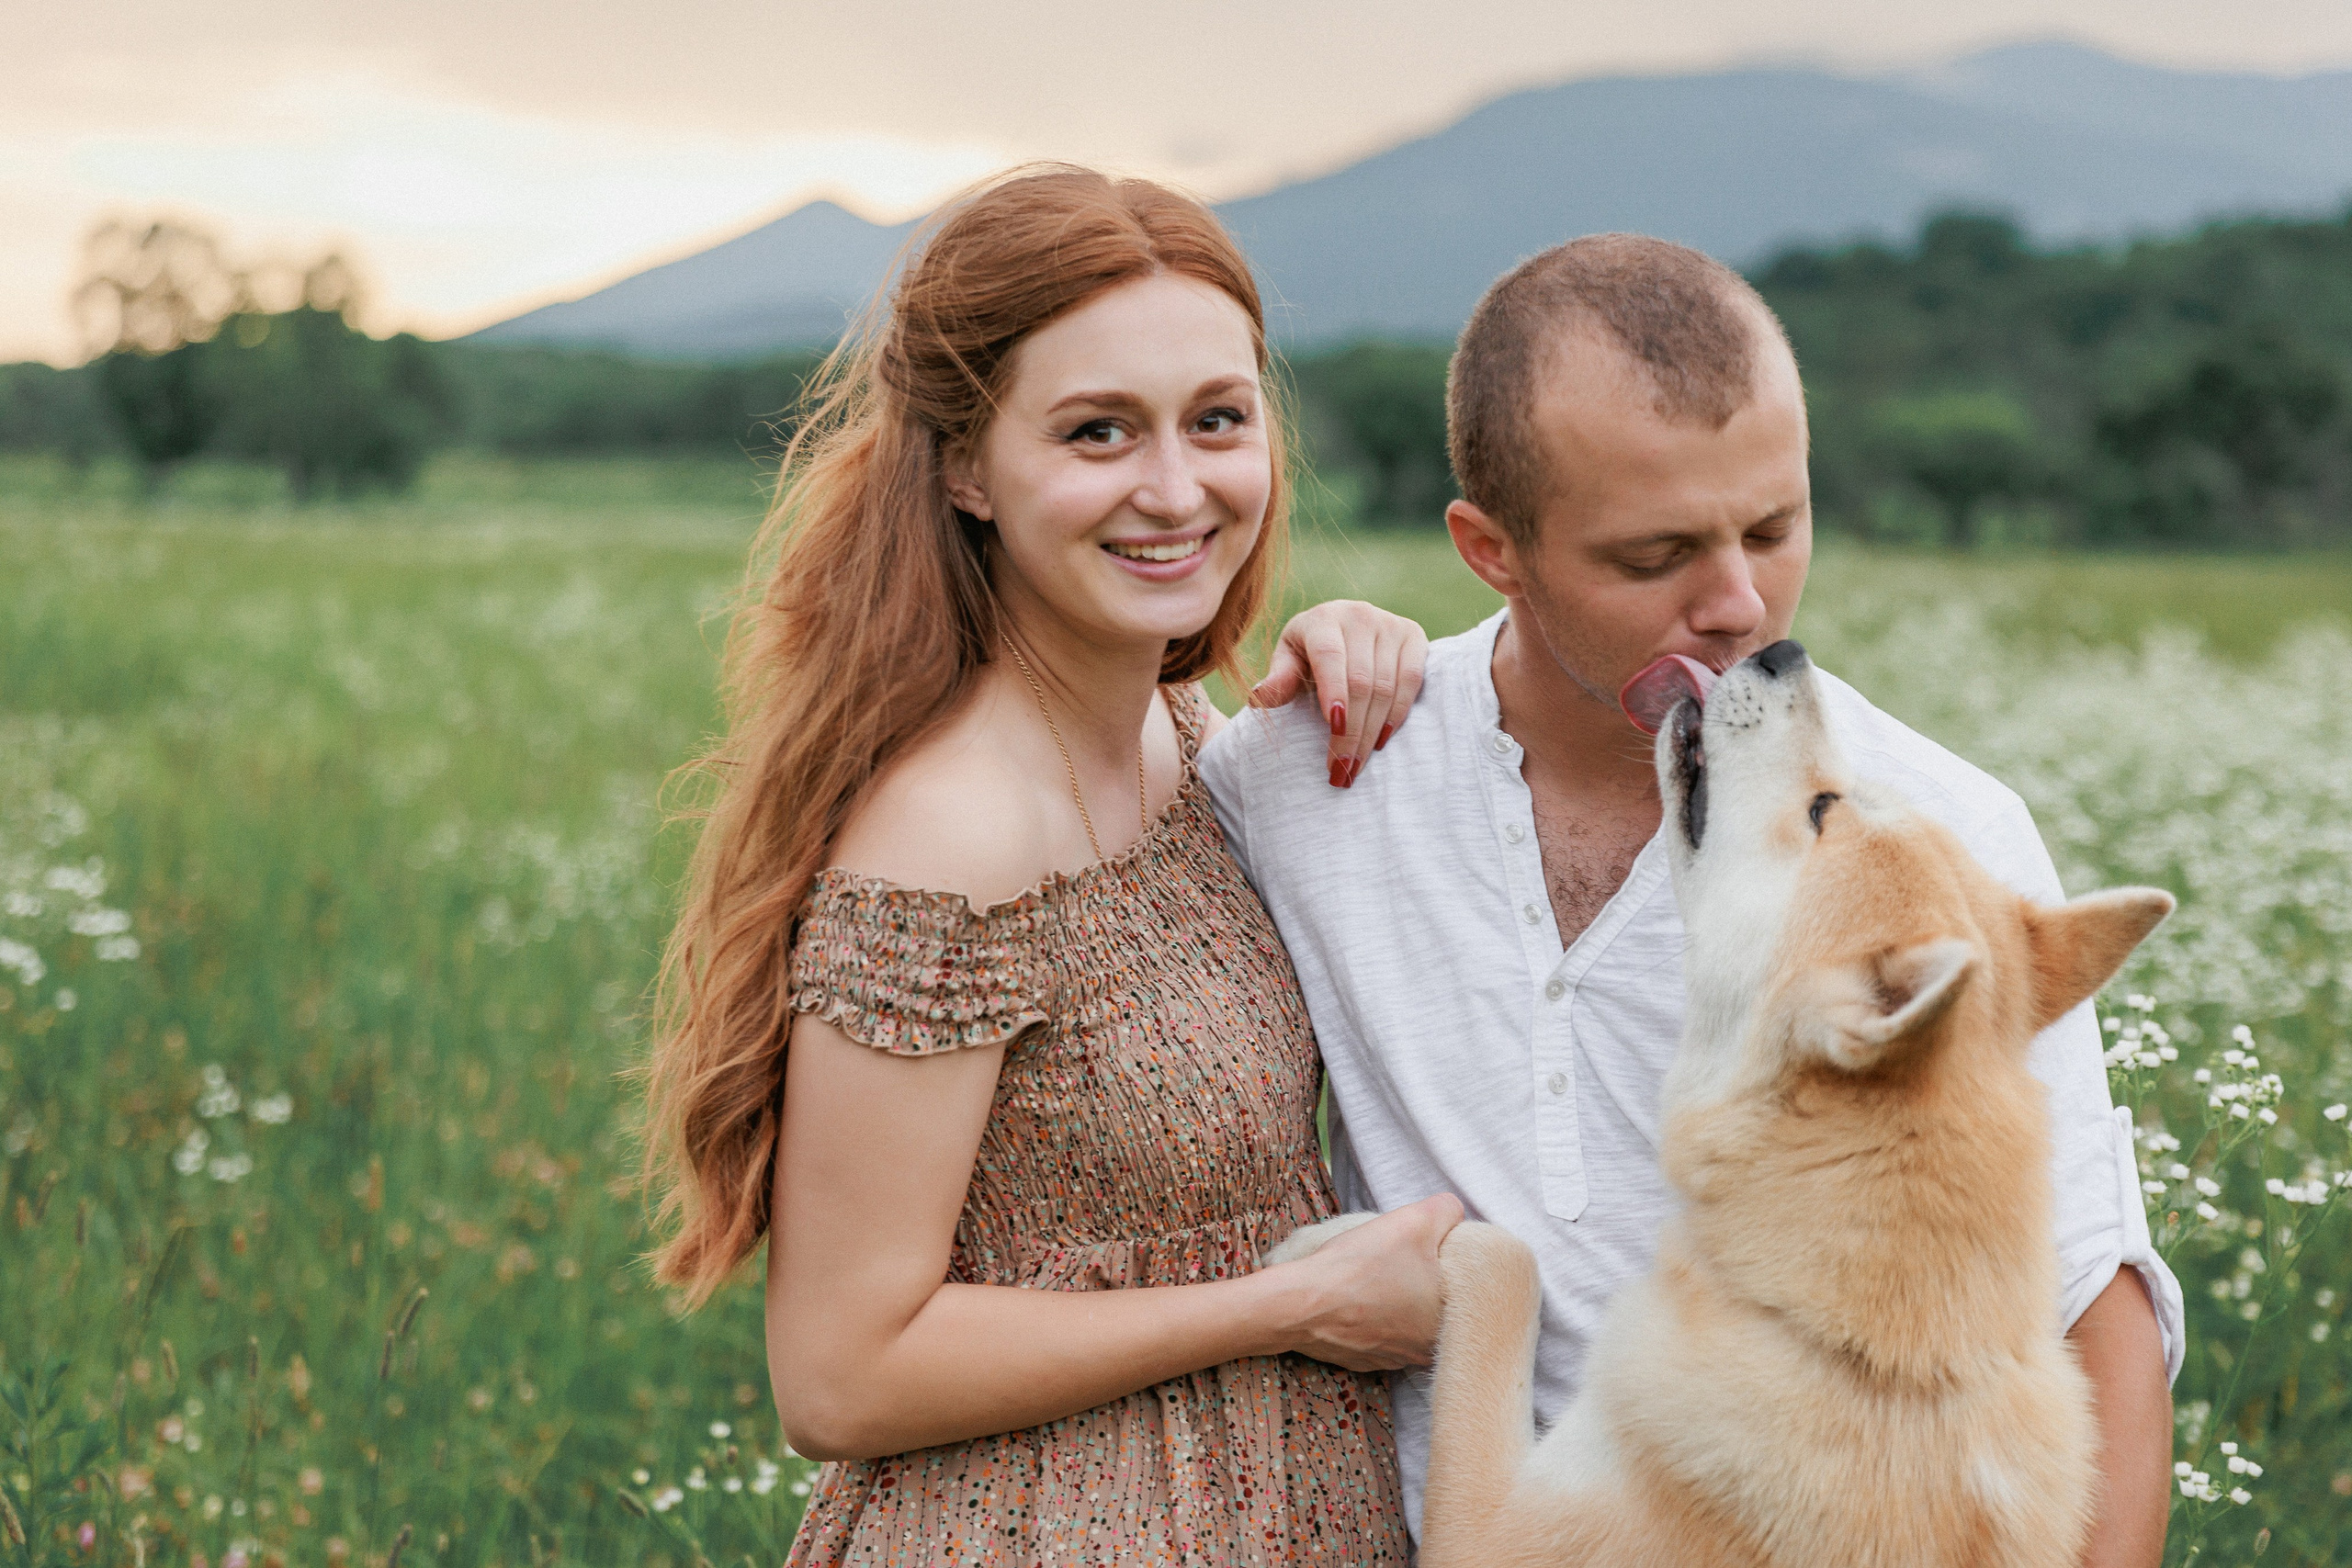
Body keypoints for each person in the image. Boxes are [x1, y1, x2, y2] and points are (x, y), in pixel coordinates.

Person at [1200, 233, 2184, 1568]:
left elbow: (2095, 1316)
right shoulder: (1308, 775)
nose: (1739, 605)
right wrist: (1292, 643)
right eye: (1656, 552)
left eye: (1774, 528)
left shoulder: (1941, 854)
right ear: (1492, 549)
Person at [637, 164, 1461, 1566]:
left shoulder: (1192, 731)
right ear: (965, 467)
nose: (1175, 488)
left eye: (1218, 421)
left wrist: (1383, 656)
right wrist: (1289, 1306)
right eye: (1097, 433)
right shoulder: (953, 838)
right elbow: (839, 1372)